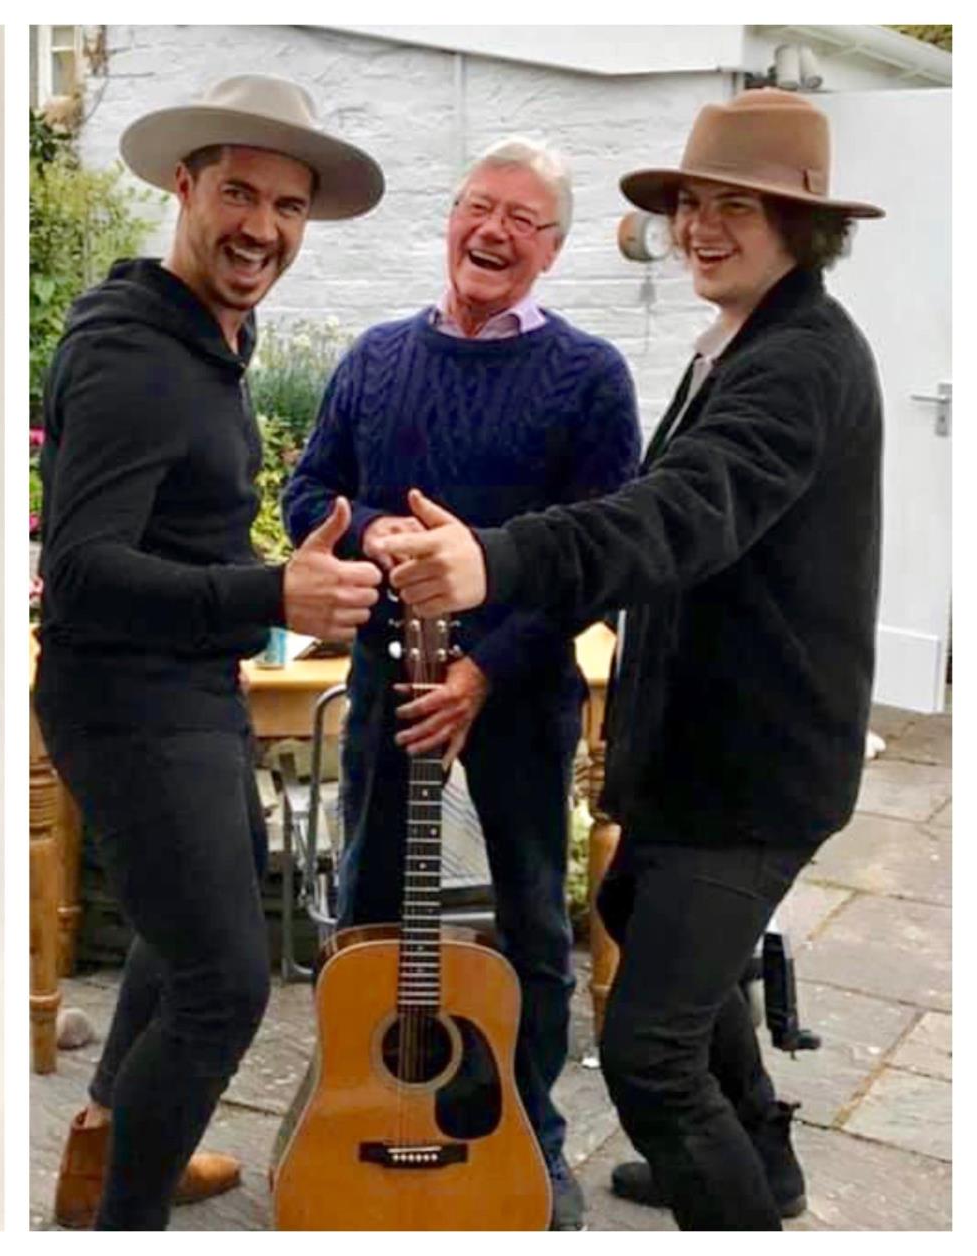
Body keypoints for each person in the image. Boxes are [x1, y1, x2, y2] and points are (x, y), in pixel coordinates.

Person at [377, 88, 885, 1230]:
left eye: (737, 207)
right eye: (693, 203)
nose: (703, 226)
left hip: (754, 768)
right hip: (695, 747)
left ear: (805, 225)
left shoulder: (799, 361)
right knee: (649, 927)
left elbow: (672, 515)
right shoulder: (744, 338)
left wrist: (493, 563)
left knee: (649, 1053)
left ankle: (737, 1200)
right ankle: (768, 1160)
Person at [34, 74, 386, 1230]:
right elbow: (80, 568)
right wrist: (271, 587)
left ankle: (111, 1146)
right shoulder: (139, 354)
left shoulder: (207, 335)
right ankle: (122, 1214)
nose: (262, 227)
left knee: (193, 932)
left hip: (184, 685)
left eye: (288, 206)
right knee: (223, 984)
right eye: (238, 192)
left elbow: (177, 529)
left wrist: (271, 580)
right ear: (183, 187)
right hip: (129, 704)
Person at [280, 136, 641, 1229]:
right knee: (369, 908)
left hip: (518, 689)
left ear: (553, 250)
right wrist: (366, 526)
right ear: (451, 220)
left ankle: (530, 1133)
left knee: (533, 920)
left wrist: (486, 667)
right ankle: (360, 1106)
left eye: (521, 220)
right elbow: (309, 492)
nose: (492, 231)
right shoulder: (378, 359)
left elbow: (602, 553)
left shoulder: (590, 376)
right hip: (394, 677)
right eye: (478, 206)